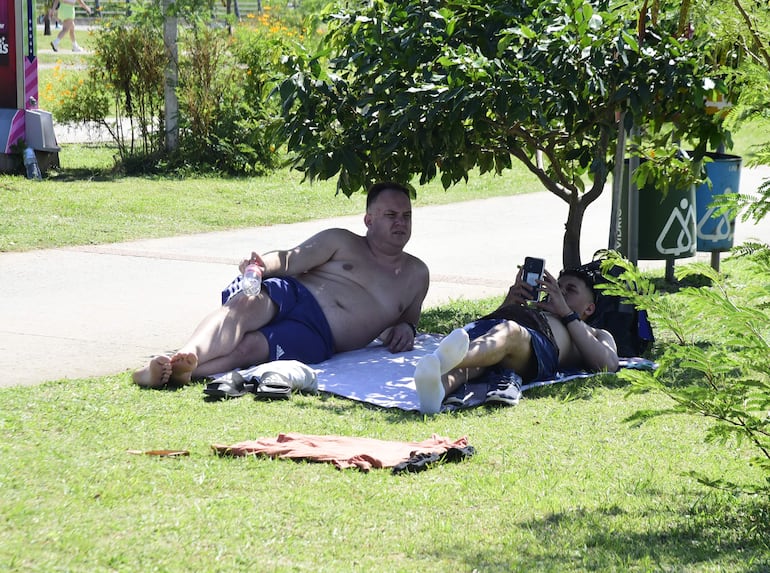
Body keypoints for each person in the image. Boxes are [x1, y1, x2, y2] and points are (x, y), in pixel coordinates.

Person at [133, 182, 430, 388]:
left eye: (406, 216)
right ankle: (189, 353)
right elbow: (290, 260)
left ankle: (177, 371)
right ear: (368, 219)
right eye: (391, 215)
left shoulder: (416, 274)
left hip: (319, 336)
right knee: (243, 308)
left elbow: (408, 320)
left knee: (248, 351)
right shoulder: (342, 241)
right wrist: (261, 266)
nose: (400, 223)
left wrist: (408, 329)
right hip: (295, 293)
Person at [414, 265, 619, 413]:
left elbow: (608, 364)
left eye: (570, 290)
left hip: (534, 344)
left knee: (510, 332)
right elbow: (487, 327)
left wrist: (566, 313)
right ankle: (435, 394)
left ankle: (444, 359)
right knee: (469, 368)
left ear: (589, 308)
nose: (558, 292)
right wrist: (508, 303)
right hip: (499, 341)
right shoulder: (538, 310)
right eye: (557, 287)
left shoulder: (595, 332)